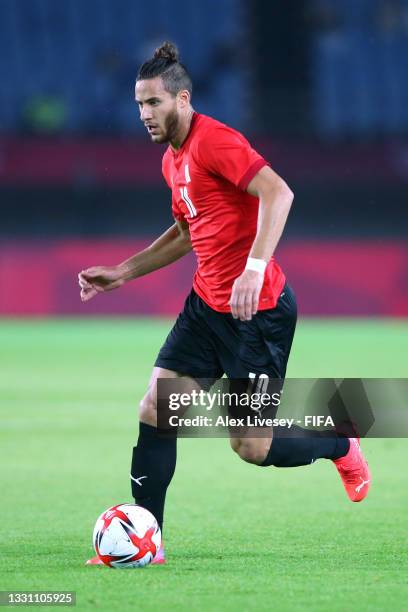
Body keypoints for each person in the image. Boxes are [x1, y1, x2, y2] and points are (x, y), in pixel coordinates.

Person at [79, 42, 371, 566]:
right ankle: (149, 543)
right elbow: (188, 231)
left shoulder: (216, 141)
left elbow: (279, 194)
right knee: (156, 407)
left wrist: (253, 268)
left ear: (183, 99)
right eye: (138, 105)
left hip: (257, 315)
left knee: (251, 448)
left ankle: (341, 445)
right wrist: (123, 271)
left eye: (153, 103)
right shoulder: (174, 161)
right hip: (207, 308)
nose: (144, 115)